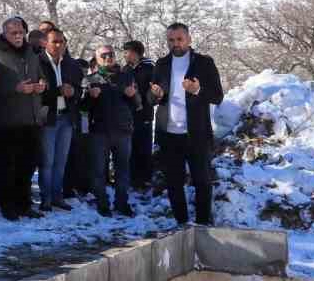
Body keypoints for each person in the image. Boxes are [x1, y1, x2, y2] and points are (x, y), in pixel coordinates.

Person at [150, 23, 224, 227]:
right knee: (173, 183)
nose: (175, 44)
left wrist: (199, 90)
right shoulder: (162, 64)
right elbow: (152, 97)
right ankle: (181, 223)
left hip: (196, 133)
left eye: (179, 39)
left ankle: (202, 224)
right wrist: (155, 95)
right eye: (171, 40)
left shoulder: (204, 63)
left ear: (189, 39)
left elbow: (218, 97)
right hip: (169, 134)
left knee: (202, 181)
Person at [0, 16, 46, 220]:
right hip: (8, 121)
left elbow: (40, 75)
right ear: (5, 34)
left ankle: (24, 203)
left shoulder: (31, 53)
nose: (18, 36)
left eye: (21, 32)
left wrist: (41, 85)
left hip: (31, 118)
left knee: (27, 166)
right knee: (7, 167)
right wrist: (15, 88)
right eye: (13, 33)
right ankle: (7, 205)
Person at [84, 45, 139, 218]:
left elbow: (137, 104)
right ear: (97, 58)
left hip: (123, 130)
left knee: (123, 170)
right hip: (100, 130)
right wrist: (90, 97)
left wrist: (132, 95)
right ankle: (102, 203)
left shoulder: (126, 76)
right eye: (104, 55)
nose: (108, 58)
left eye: (111, 55)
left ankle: (122, 203)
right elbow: (83, 107)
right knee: (99, 170)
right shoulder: (90, 79)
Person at [38, 27, 83, 213]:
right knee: (47, 161)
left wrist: (73, 92)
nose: (58, 45)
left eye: (61, 41)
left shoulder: (71, 65)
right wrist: (57, 91)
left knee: (61, 161)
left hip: (66, 116)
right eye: (54, 41)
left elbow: (81, 89)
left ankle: (58, 196)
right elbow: (37, 92)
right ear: (45, 43)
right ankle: (46, 198)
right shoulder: (37, 63)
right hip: (47, 117)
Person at [122, 40, 155, 191]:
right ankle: (132, 179)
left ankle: (145, 179)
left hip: (144, 114)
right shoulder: (125, 70)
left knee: (144, 147)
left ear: (135, 53)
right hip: (128, 115)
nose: (125, 55)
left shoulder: (149, 68)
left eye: (127, 52)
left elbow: (154, 90)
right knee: (131, 148)